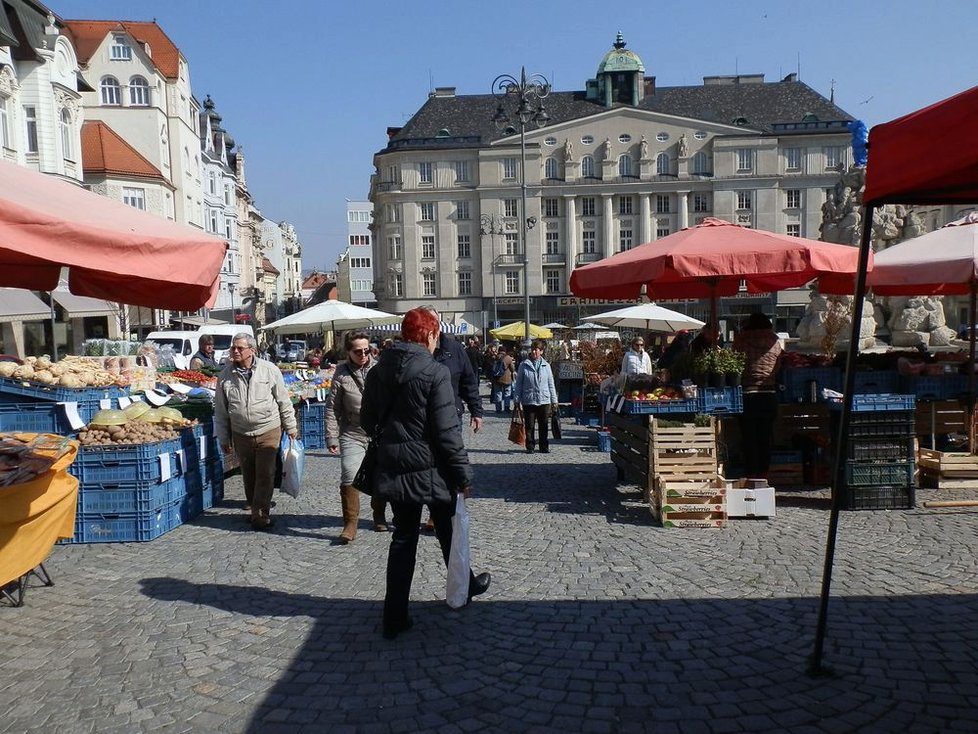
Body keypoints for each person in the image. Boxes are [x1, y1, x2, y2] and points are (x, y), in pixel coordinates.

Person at [361, 307, 491, 640]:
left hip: (395, 467)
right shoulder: (434, 373)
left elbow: (366, 421)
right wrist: (464, 476)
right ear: (431, 335)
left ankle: (395, 615)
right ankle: (463, 588)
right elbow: (448, 432)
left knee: (403, 538)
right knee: (449, 531)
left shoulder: (377, 371)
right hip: (433, 468)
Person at [214, 332, 297, 530]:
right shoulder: (225, 376)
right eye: (233, 348)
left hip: (268, 428)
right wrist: (224, 438)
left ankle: (261, 514)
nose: (234, 351)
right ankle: (254, 506)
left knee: (266, 473)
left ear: (252, 350)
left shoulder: (269, 370)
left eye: (239, 348)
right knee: (249, 473)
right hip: (241, 432)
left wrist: (291, 426)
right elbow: (221, 410)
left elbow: (283, 400)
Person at [326, 331, 382, 543]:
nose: (363, 355)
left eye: (367, 350)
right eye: (358, 351)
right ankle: (350, 524)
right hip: (353, 431)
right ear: (348, 352)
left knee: (379, 474)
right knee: (350, 473)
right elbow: (332, 408)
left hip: (378, 432)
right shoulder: (341, 373)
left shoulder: (379, 369)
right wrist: (331, 437)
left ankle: (379, 514)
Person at [733, 312, 783, 479]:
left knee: (748, 437)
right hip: (768, 394)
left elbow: (734, 365)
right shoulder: (775, 342)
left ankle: (751, 473)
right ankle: (763, 473)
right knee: (765, 437)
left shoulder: (741, 340)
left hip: (747, 394)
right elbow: (778, 366)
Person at [513, 339, 558, 453]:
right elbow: (519, 384)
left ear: (541, 351)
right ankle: (530, 446)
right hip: (529, 400)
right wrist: (517, 399)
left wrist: (554, 400)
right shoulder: (524, 365)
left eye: (536, 350)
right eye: (532, 349)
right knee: (530, 425)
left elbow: (551, 384)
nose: (534, 352)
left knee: (543, 425)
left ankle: (544, 446)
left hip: (544, 400)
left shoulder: (546, 365)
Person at [492, 345, 515, 413]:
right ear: (505, 351)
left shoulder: (495, 357)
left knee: (498, 393)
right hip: (506, 379)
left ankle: (498, 409)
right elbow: (512, 369)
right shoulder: (508, 358)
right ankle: (506, 408)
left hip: (496, 378)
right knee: (507, 393)